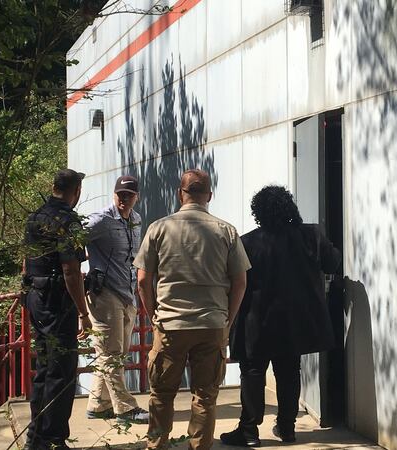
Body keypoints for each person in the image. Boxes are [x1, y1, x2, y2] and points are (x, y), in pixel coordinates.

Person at [134, 169, 251, 450]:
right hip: (211, 324)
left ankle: (157, 445)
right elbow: (240, 282)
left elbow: (141, 280)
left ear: (180, 193)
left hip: (170, 324)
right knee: (205, 396)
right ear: (209, 195)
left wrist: (154, 316)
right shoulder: (226, 231)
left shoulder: (159, 228)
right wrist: (227, 320)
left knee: (161, 393)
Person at [220, 185, 341, 447]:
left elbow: (235, 282)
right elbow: (333, 263)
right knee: (289, 371)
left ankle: (249, 431)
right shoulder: (311, 236)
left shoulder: (248, 242)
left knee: (252, 372)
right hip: (295, 321)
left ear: (258, 212)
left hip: (257, 319)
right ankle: (287, 428)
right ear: (289, 206)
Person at [22, 169, 92, 450]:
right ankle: (53, 439)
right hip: (57, 302)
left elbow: (27, 263)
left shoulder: (35, 217)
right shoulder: (67, 221)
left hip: (36, 299)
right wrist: (83, 313)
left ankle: (36, 437)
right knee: (62, 369)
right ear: (76, 191)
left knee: (44, 367)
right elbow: (70, 270)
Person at [84, 175, 149, 423]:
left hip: (127, 292)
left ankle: (98, 404)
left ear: (136, 197)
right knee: (112, 353)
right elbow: (72, 239)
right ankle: (125, 408)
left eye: (129, 195)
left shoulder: (136, 219)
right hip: (105, 293)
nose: (124, 199)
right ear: (114, 194)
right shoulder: (101, 219)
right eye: (120, 194)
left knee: (117, 352)